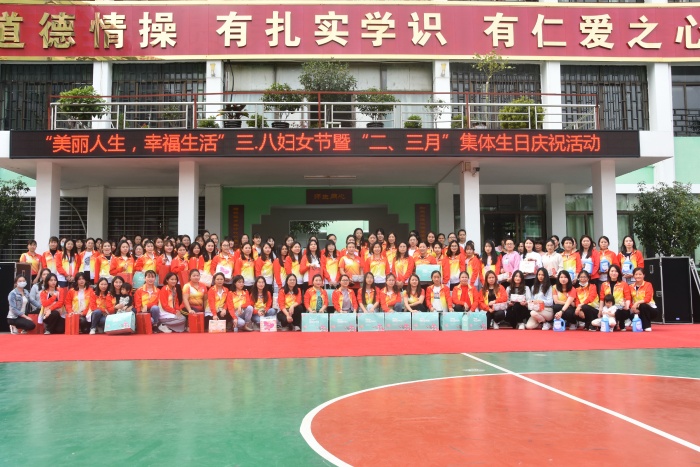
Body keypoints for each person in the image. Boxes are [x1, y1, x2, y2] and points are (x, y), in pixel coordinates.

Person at [598, 264, 631, 331]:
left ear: (619, 273)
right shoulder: (604, 284)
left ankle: (621, 324)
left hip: (620, 308)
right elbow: (602, 298)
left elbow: (628, 297)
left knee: (622, 312)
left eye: (616, 271)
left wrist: (626, 306)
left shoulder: (624, 284)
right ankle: (610, 323)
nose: (614, 273)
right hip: (608, 308)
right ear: (609, 272)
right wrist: (600, 309)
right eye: (612, 271)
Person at [630, 267, 657, 331]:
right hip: (636, 309)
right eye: (636, 274)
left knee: (643, 305)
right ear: (633, 276)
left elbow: (647, 299)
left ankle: (647, 326)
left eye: (640, 274)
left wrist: (637, 303)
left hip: (650, 309)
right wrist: (633, 308)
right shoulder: (630, 286)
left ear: (643, 275)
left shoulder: (648, 285)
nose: (638, 276)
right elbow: (629, 299)